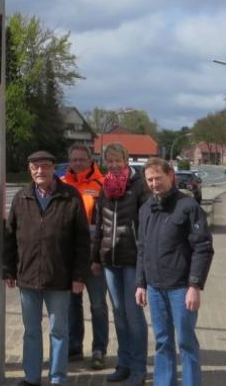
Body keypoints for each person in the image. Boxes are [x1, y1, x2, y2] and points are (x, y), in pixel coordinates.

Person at [3, 150, 91, 386]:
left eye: (44, 167)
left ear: (54, 169)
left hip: (60, 277)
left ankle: (57, 378)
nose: (40, 171)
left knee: (59, 331)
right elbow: (10, 235)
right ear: (30, 170)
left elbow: (83, 240)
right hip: (28, 277)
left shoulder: (70, 196)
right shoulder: (22, 197)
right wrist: (8, 269)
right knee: (31, 331)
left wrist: (79, 275)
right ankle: (32, 378)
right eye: (35, 167)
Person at [135, 158, 214, 386]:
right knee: (162, 341)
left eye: (158, 178)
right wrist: (140, 283)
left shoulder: (188, 207)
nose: (154, 183)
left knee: (186, 342)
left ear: (171, 176)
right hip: (154, 288)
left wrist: (194, 286)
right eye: (149, 179)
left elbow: (203, 249)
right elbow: (142, 249)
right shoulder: (145, 209)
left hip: (181, 288)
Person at [92, 142, 149, 386]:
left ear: (126, 160)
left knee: (134, 315)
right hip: (109, 260)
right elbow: (100, 226)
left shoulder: (139, 185)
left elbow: (147, 224)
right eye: (110, 160)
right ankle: (123, 364)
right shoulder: (104, 187)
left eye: (118, 160)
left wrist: (145, 258)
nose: (114, 164)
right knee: (119, 314)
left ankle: (138, 368)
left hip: (133, 259)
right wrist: (96, 257)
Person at [60, 143, 109, 370]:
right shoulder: (61, 184)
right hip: (70, 257)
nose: (78, 163)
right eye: (74, 159)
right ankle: (74, 346)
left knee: (98, 305)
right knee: (72, 304)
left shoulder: (102, 184)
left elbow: (106, 224)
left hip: (94, 257)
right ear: (69, 161)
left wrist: (98, 256)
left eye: (82, 159)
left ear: (91, 160)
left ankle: (99, 349)